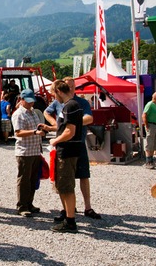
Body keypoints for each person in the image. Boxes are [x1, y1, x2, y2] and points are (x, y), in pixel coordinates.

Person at [44, 77, 102, 221]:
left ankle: (87, 207)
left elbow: (89, 119)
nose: (70, 89)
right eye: (67, 87)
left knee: (82, 175)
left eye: (72, 86)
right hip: (64, 143)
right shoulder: (58, 103)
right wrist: (56, 124)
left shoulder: (79, 103)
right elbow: (46, 112)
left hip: (77, 142)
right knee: (64, 179)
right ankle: (68, 209)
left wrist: (70, 123)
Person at [48, 80, 82, 233]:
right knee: (63, 186)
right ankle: (67, 216)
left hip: (67, 151)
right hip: (67, 150)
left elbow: (69, 131)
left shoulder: (70, 106)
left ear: (59, 92)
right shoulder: (71, 105)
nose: (54, 98)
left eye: (54, 95)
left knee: (67, 187)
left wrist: (55, 140)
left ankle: (70, 221)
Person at [12, 89, 45, 217]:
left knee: (32, 180)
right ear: (22, 100)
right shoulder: (19, 114)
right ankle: (22, 206)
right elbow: (18, 133)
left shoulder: (33, 113)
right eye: (29, 101)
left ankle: (29, 203)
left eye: (32, 101)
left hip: (35, 150)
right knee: (24, 180)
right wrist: (34, 132)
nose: (31, 104)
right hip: (24, 152)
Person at [142, 92, 156, 169]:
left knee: (154, 144)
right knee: (149, 143)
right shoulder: (150, 104)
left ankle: (151, 160)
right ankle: (148, 162)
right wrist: (147, 126)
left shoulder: (155, 105)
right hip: (151, 125)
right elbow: (144, 115)